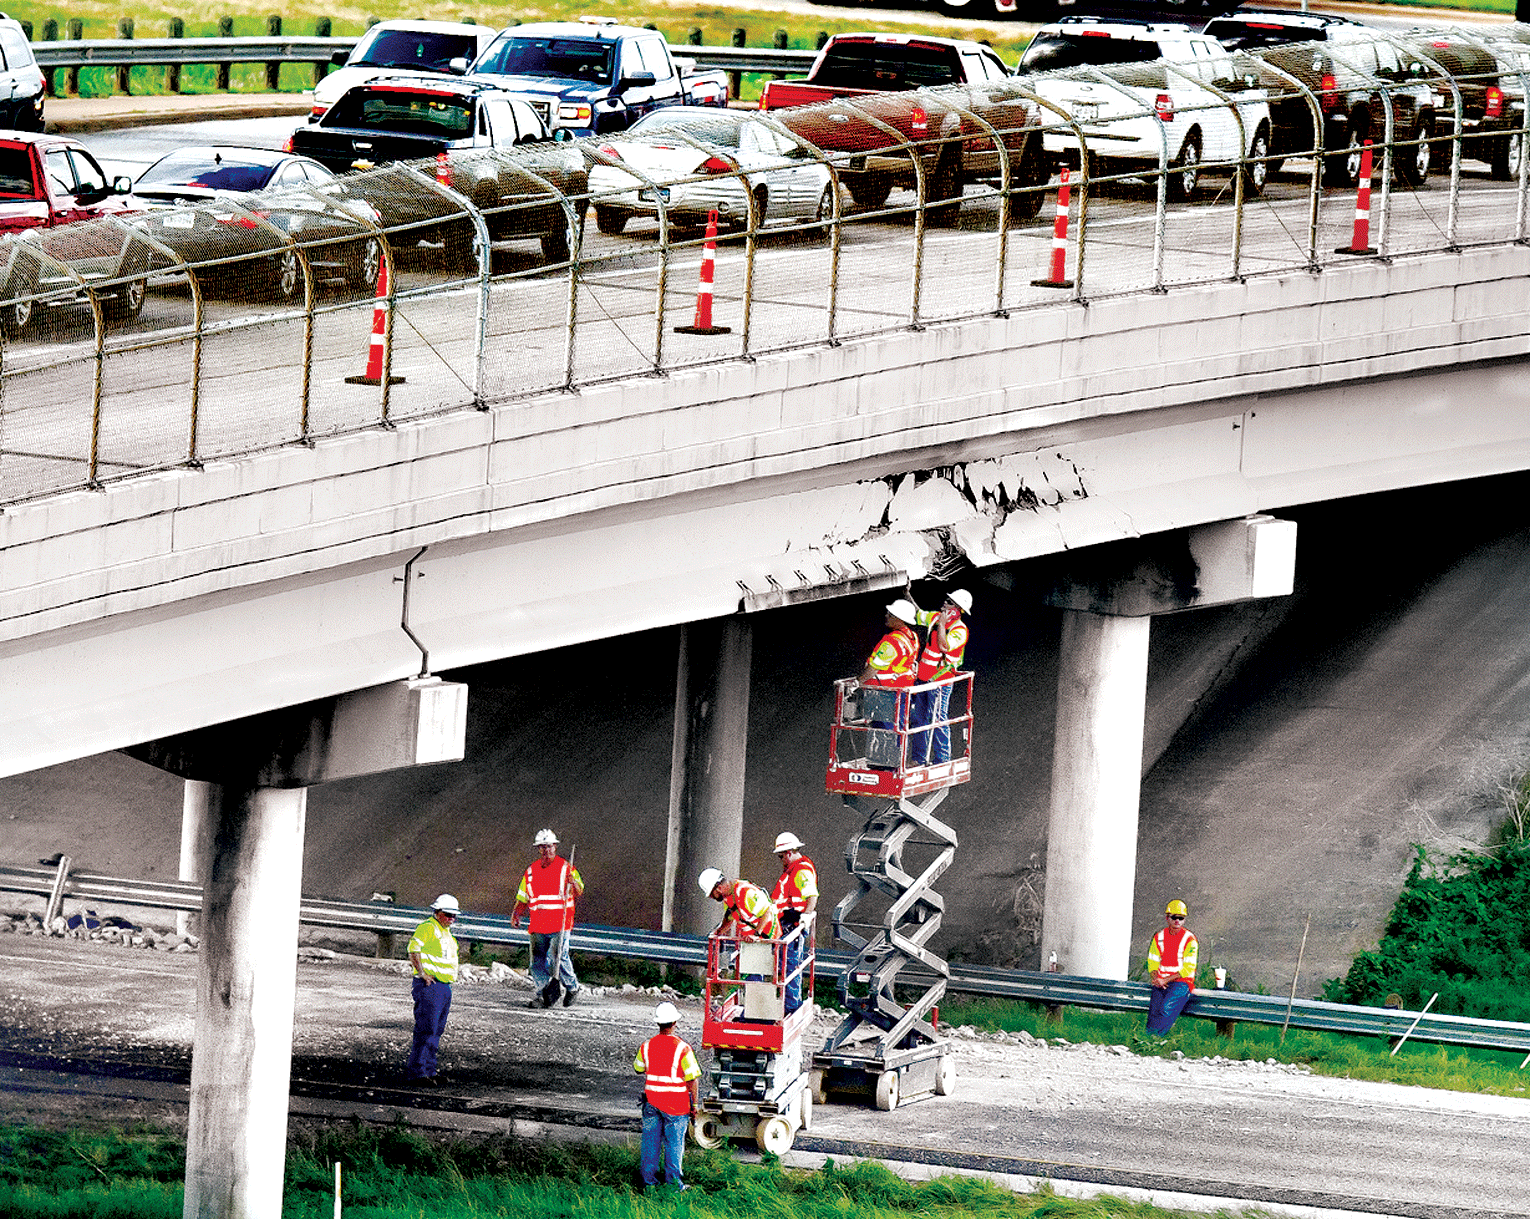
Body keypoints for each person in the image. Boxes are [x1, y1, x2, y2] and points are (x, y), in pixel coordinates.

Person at [511, 828, 585, 1008]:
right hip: (538, 924)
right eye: (543, 847)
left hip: (560, 923)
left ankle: (572, 987)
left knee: (556, 957)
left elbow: (579, 890)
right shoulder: (531, 871)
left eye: (550, 847)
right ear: (539, 849)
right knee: (536, 962)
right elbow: (523, 896)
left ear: (555, 847)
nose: (547, 850)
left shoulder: (566, 868)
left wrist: (572, 882)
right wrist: (516, 913)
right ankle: (544, 994)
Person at [633, 1000, 702, 1192]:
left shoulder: (646, 1046)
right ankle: (673, 1186)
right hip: (676, 1106)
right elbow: (693, 1080)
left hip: (651, 1103)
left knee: (650, 1143)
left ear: (658, 1023)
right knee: (674, 1145)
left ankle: (649, 1184)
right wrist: (694, 1105)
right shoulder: (683, 1048)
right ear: (674, 1023)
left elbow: (638, 1068)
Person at [909, 588, 972, 765]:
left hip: (940, 683)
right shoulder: (936, 617)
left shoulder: (960, 630)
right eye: (946, 600)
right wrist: (908, 594)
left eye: (949, 602)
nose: (944, 603)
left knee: (937, 719)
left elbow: (944, 646)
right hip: (923, 680)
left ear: (957, 609)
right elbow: (917, 615)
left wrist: (943, 624)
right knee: (919, 719)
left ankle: (942, 759)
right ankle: (919, 759)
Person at [405, 893, 460, 1083]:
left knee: (436, 1030)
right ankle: (418, 1071)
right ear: (437, 912)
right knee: (427, 1028)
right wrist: (421, 973)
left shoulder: (444, 931)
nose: (451, 919)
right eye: (448, 914)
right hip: (431, 986)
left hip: (443, 986)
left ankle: (429, 1070)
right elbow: (413, 949)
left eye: (454, 916)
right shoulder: (428, 928)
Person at [770, 832, 818, 1015]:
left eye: (781, 856)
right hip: (788, 922)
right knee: (787, 965)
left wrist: (805, 917)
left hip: (794, 923)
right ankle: (789, 1005)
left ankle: (790, 1007)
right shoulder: (794, 870)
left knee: (790, 966)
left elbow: (811, 895)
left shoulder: (801, 870)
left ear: (789, 852)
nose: (780, 860)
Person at [1146, 899, 1200, 1035]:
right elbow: (1152, 962)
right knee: (1154, 1011)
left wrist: (1165, 980)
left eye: (1181, 918)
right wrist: (1157, 979)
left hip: (1182, 983)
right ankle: (1147, 1040)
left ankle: (1154, 1040)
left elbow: (1187, 968)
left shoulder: (1190, 939)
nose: (1177, 921)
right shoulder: (1159, 937)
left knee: (1166, 1009)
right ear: (1167, 918)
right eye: (1174, 917)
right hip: (1161, 982)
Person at [698, 867, 781, 941]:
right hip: (754, 943)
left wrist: (756, 935)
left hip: (769, 940)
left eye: (712, 895)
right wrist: (718, 932)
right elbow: (729, 918)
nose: (712, 898)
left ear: (719, 888)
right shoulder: (729, 898)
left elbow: (767, 911)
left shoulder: (745, 892)